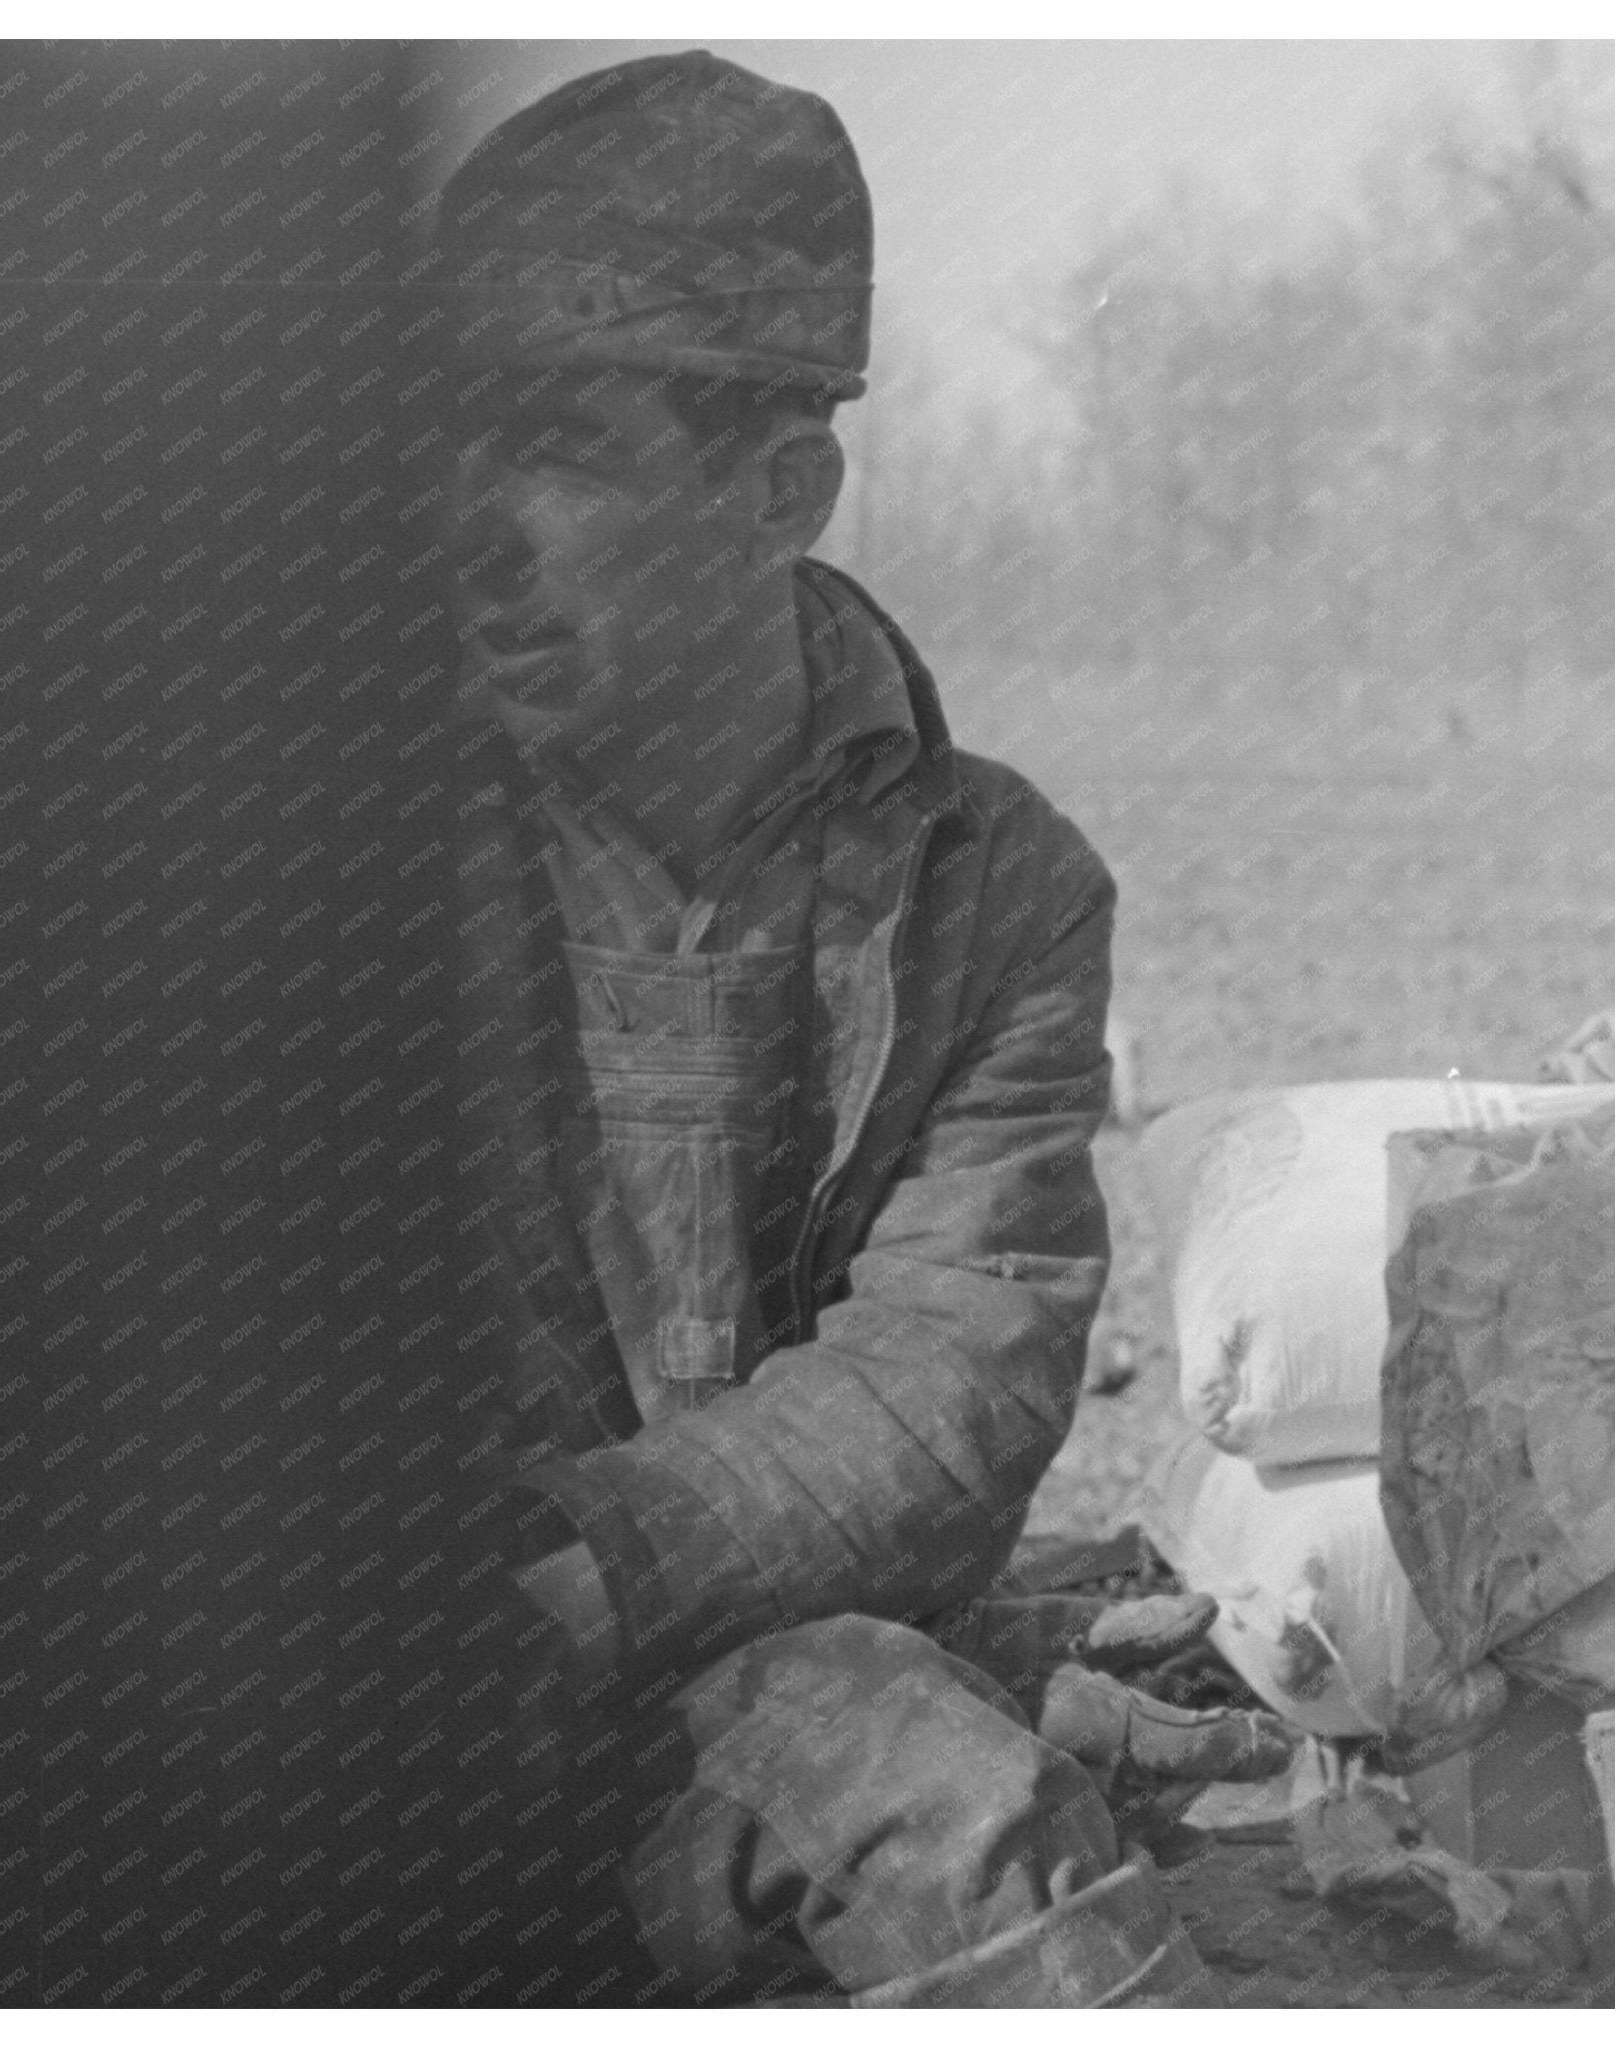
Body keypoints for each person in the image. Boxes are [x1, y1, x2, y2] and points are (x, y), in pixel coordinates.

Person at [425, 50, 1294, 2007]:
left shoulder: (993, 889)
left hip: (741, 1676)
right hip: (365, 1701)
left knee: (936, 1801)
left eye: (554, 448)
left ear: (779, 494)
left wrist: (594, 1580)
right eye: (437, 439)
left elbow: (943, 1385)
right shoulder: (321, 847)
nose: (464, 526)